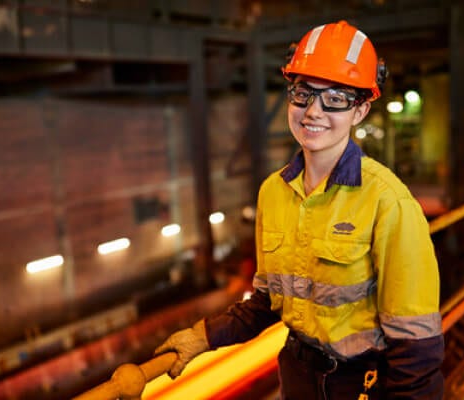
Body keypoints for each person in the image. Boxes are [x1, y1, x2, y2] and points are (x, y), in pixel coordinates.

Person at [154, 20, 444, 399]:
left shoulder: (388, 202)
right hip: (297, 375)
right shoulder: (273, 193)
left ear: (360, 110)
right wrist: (203, 336)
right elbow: (268, 300)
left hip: (359, 385)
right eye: (303, 93)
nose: (313, 111)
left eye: (336, 98)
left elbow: (416, 347)